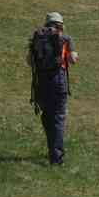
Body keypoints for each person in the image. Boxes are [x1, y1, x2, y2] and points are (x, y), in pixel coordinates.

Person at [28, 12, 79, 165]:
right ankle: (56, 159)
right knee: (58, 118)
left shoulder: (38, 37)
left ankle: (52, 150)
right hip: (58, 81)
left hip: (41, 83)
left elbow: (29, 61)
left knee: (47, 117)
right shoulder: (65, 38)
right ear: (60, 24)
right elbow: (73, 59)